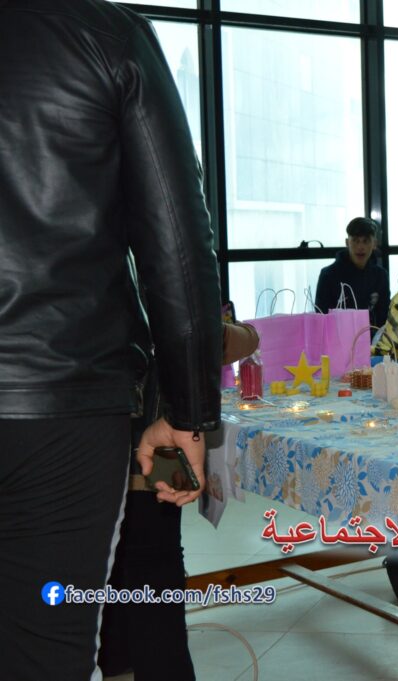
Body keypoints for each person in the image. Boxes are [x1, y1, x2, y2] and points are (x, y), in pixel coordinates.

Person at [0, 1, 222, 679]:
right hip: (61, 402)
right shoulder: (104, 34)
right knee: (45, 648)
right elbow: (174, 242)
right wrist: (187, 413)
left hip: (62, 395)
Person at [99, 316, 258, 681]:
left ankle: (115, 655)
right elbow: (203, 335)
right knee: (154, 564)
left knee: (108, 561)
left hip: (84, 439)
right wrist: (247, 333)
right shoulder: (151, 289)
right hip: (154, 447)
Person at [314, 217, 391, 327]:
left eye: (366, 241)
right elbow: (322, 317)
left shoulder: (380, 275)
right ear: (347, 243)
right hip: (338, 336)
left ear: (374, 243)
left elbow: (384, 316)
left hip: (373, 336)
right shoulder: (328, 275)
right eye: (355, 240)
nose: (360, 247)